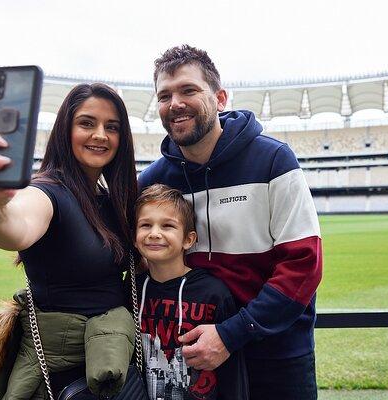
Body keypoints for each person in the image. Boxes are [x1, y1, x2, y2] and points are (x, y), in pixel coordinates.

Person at [138, 44, 323, 400]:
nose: (175, 103)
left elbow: (304, 265)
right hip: (190, 356)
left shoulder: (273, 160)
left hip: (275, 353)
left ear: (220, 98)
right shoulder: (153, 182)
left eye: (188, 90)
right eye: (164, 95)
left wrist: (231, 333)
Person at [0, 83, 138, 398]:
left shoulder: (110, 199)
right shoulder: (48, 191)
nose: (100, 134)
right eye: (87, 123)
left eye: (111, 127)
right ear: (65, 130)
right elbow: (17, 226)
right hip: (61, 377)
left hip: (110, 366)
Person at [134, 184, 249, 400]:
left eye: (167, 226)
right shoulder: (131, 290)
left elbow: (232, 371)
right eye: (146, 225)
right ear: (134, 236)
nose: (155, 233)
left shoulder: (213, 293)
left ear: (189, 239)